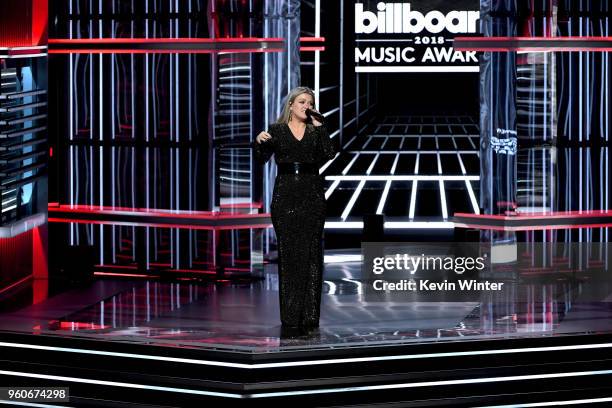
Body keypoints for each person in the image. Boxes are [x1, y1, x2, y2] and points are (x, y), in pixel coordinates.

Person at [253, 86, 337, 336]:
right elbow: (261, 158)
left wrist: (321, 127)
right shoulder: (276, 130)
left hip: (312, 195)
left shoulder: (315, 130)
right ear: (291, 104)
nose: (306, 106)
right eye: (302, 102)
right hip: (285, 195)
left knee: (312, 255)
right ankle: (290, 317)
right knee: (290, 256)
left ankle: (310, 316)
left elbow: (329, 154)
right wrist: (257, 141)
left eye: (310, 102)